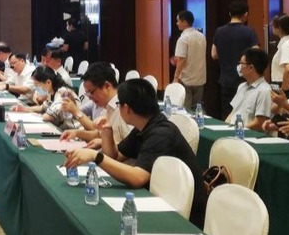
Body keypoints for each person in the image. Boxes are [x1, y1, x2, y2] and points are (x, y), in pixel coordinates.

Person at [64, 79, 207, 227]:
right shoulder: (143, 127)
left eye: (119, 104)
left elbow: (137, 178)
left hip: (186, 219)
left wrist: (95, 156)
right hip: (163, 202)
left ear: (126, 108)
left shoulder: (161, 134)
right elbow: (115, 156)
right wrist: (106, 133)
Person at [60, 62, 132, 146]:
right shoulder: (107, 106)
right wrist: (76, 133)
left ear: (107, 86)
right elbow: (98, 134)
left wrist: (102, 143)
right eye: (87, 93)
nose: (90, 97)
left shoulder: (124, 107)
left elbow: (131, 147)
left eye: (91, 92)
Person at [212, 0, 259, 118]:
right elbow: (256, 53)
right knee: (244, 114)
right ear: (246, 14)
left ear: (229, 14)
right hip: (245, 80)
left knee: (227, 113)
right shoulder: (249, 31)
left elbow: (214, 54)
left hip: (225, 80)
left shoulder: (219, 31)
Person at [11, 65, 80, 130]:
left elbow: (47, 117)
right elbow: (42, 108)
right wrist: (24, 109)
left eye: (38, 84)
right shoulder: (51, 91)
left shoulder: (63, 92)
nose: (37, 87)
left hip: (74, 130)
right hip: (64, 128)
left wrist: (30, 114)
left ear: (48, 82)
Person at [226, 47, 272, 131]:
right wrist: (224, 127)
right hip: (234, 131)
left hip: (247, 135)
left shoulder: (264, 91)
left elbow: (260, 122)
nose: (239, 67)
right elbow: (233, 112)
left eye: (241, 63)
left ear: (250, 67)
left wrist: (237, 130)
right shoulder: (241, 86)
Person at [171, 10, 207, 109]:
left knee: (186, 110)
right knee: (196, 109)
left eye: (178, 21)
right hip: (200, 78)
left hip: (186, 79)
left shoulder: (183, 39)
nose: (177, 23)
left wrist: (176, 78)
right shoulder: (201, 36)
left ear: (185, 22)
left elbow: (181, 59)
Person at [270, 13, 289, 97]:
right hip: (278, 83)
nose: (271, 26)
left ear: (279, 27)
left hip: (282, 84)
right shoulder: (285, 43)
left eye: (273, 25)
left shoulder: (287, 44)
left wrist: (284, 89)